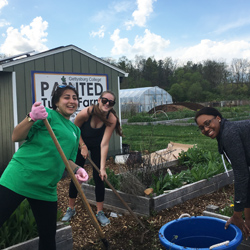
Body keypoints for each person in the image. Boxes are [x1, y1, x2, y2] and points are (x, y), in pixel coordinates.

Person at [0, 85, 88, 250]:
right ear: (56, 102)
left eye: (75, 98)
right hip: (20, 177)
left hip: (45, 188)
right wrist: (31, 117)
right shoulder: (48, 116)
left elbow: (66, 160)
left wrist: (77, 169)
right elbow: (16, 136)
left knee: (48, 238)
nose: (72, 101)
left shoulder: (75, 130)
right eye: (66, 97)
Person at [62, 90, 123, 226]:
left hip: (97, 146)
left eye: (111, 102)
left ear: (113, 105)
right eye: (104, 100)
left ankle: (99, 212)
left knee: (99, 177)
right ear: (99, 100)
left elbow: (104, 143)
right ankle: (71, 208)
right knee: (76, 176)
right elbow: (74, 131)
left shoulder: (112, 119)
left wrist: (102, 168)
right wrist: (82, 146)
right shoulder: (86, 113)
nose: (107, 104)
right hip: (80, 142)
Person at [195, 107, 250, 239]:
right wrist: (247, 219)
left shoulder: (229, 134)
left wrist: (237, 215)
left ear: (218, 118)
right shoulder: (227, 131)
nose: (206, 129)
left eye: (207, 123)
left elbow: (242, 175)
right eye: (202, 127)